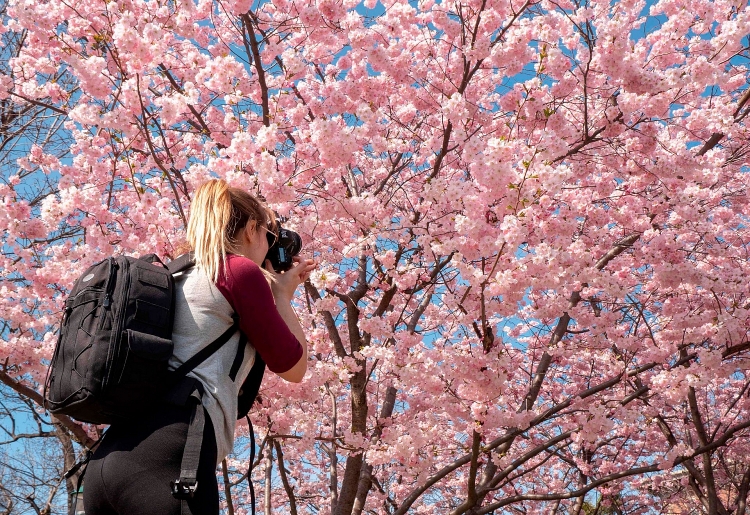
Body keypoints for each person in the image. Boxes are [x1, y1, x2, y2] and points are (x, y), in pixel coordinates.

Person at [83, 179, 316, 515]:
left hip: (108, 459)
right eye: (268, 235)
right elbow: (294, 367)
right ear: (251, 229)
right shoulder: (238, 271)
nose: (269, 245)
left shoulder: (174, 277)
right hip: (171, 454)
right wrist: (281, 294)